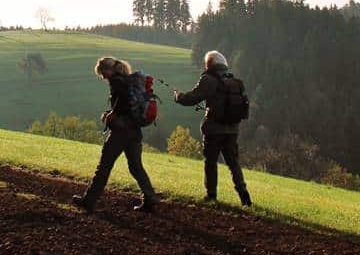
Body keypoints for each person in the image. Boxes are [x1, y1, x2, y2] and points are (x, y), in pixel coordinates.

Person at [72, 57, 159, 213]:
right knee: (136, 167)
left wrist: (112, 114)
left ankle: (89, 201)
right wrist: (112, 112)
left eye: (102, 73)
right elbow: (128, 103)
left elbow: (123, 102)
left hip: (121, 132)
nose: (103, 77)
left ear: (108, 70)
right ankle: (150, 197)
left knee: (104, 166)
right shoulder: (129, 80)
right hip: (134, 131)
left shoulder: (116, 81)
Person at [174, 50, 252, 207]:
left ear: (209, 64)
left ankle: (211, 196)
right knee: (233, 163)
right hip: (232, 129)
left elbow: (193, 97)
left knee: (211, 162)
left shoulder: (208, 79)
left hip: (214, 130)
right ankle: (245, 197)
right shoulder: (233, 81)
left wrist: (178, 97)